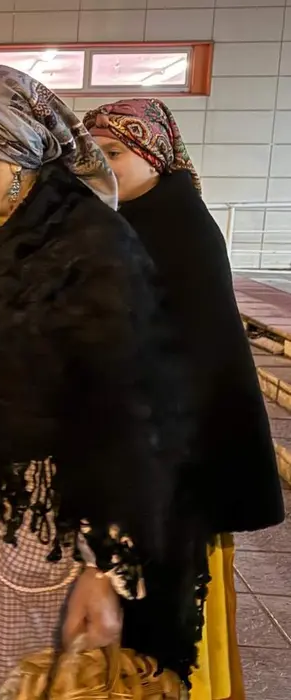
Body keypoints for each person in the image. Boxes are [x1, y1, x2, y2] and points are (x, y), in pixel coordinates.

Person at [0, 66, 197, 698]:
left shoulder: (92, 248)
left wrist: (102, 570)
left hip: (40, 535)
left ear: (14, 153)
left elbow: (128, 416)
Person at [84, 98, 286, 700]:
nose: (102, 166)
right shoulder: (123, 220)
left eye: (115, 153)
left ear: (154, 155)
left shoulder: (178, 226)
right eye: (94, 154)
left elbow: (191, 356)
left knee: (162, 619)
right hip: (143, 452)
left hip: (177, 461)